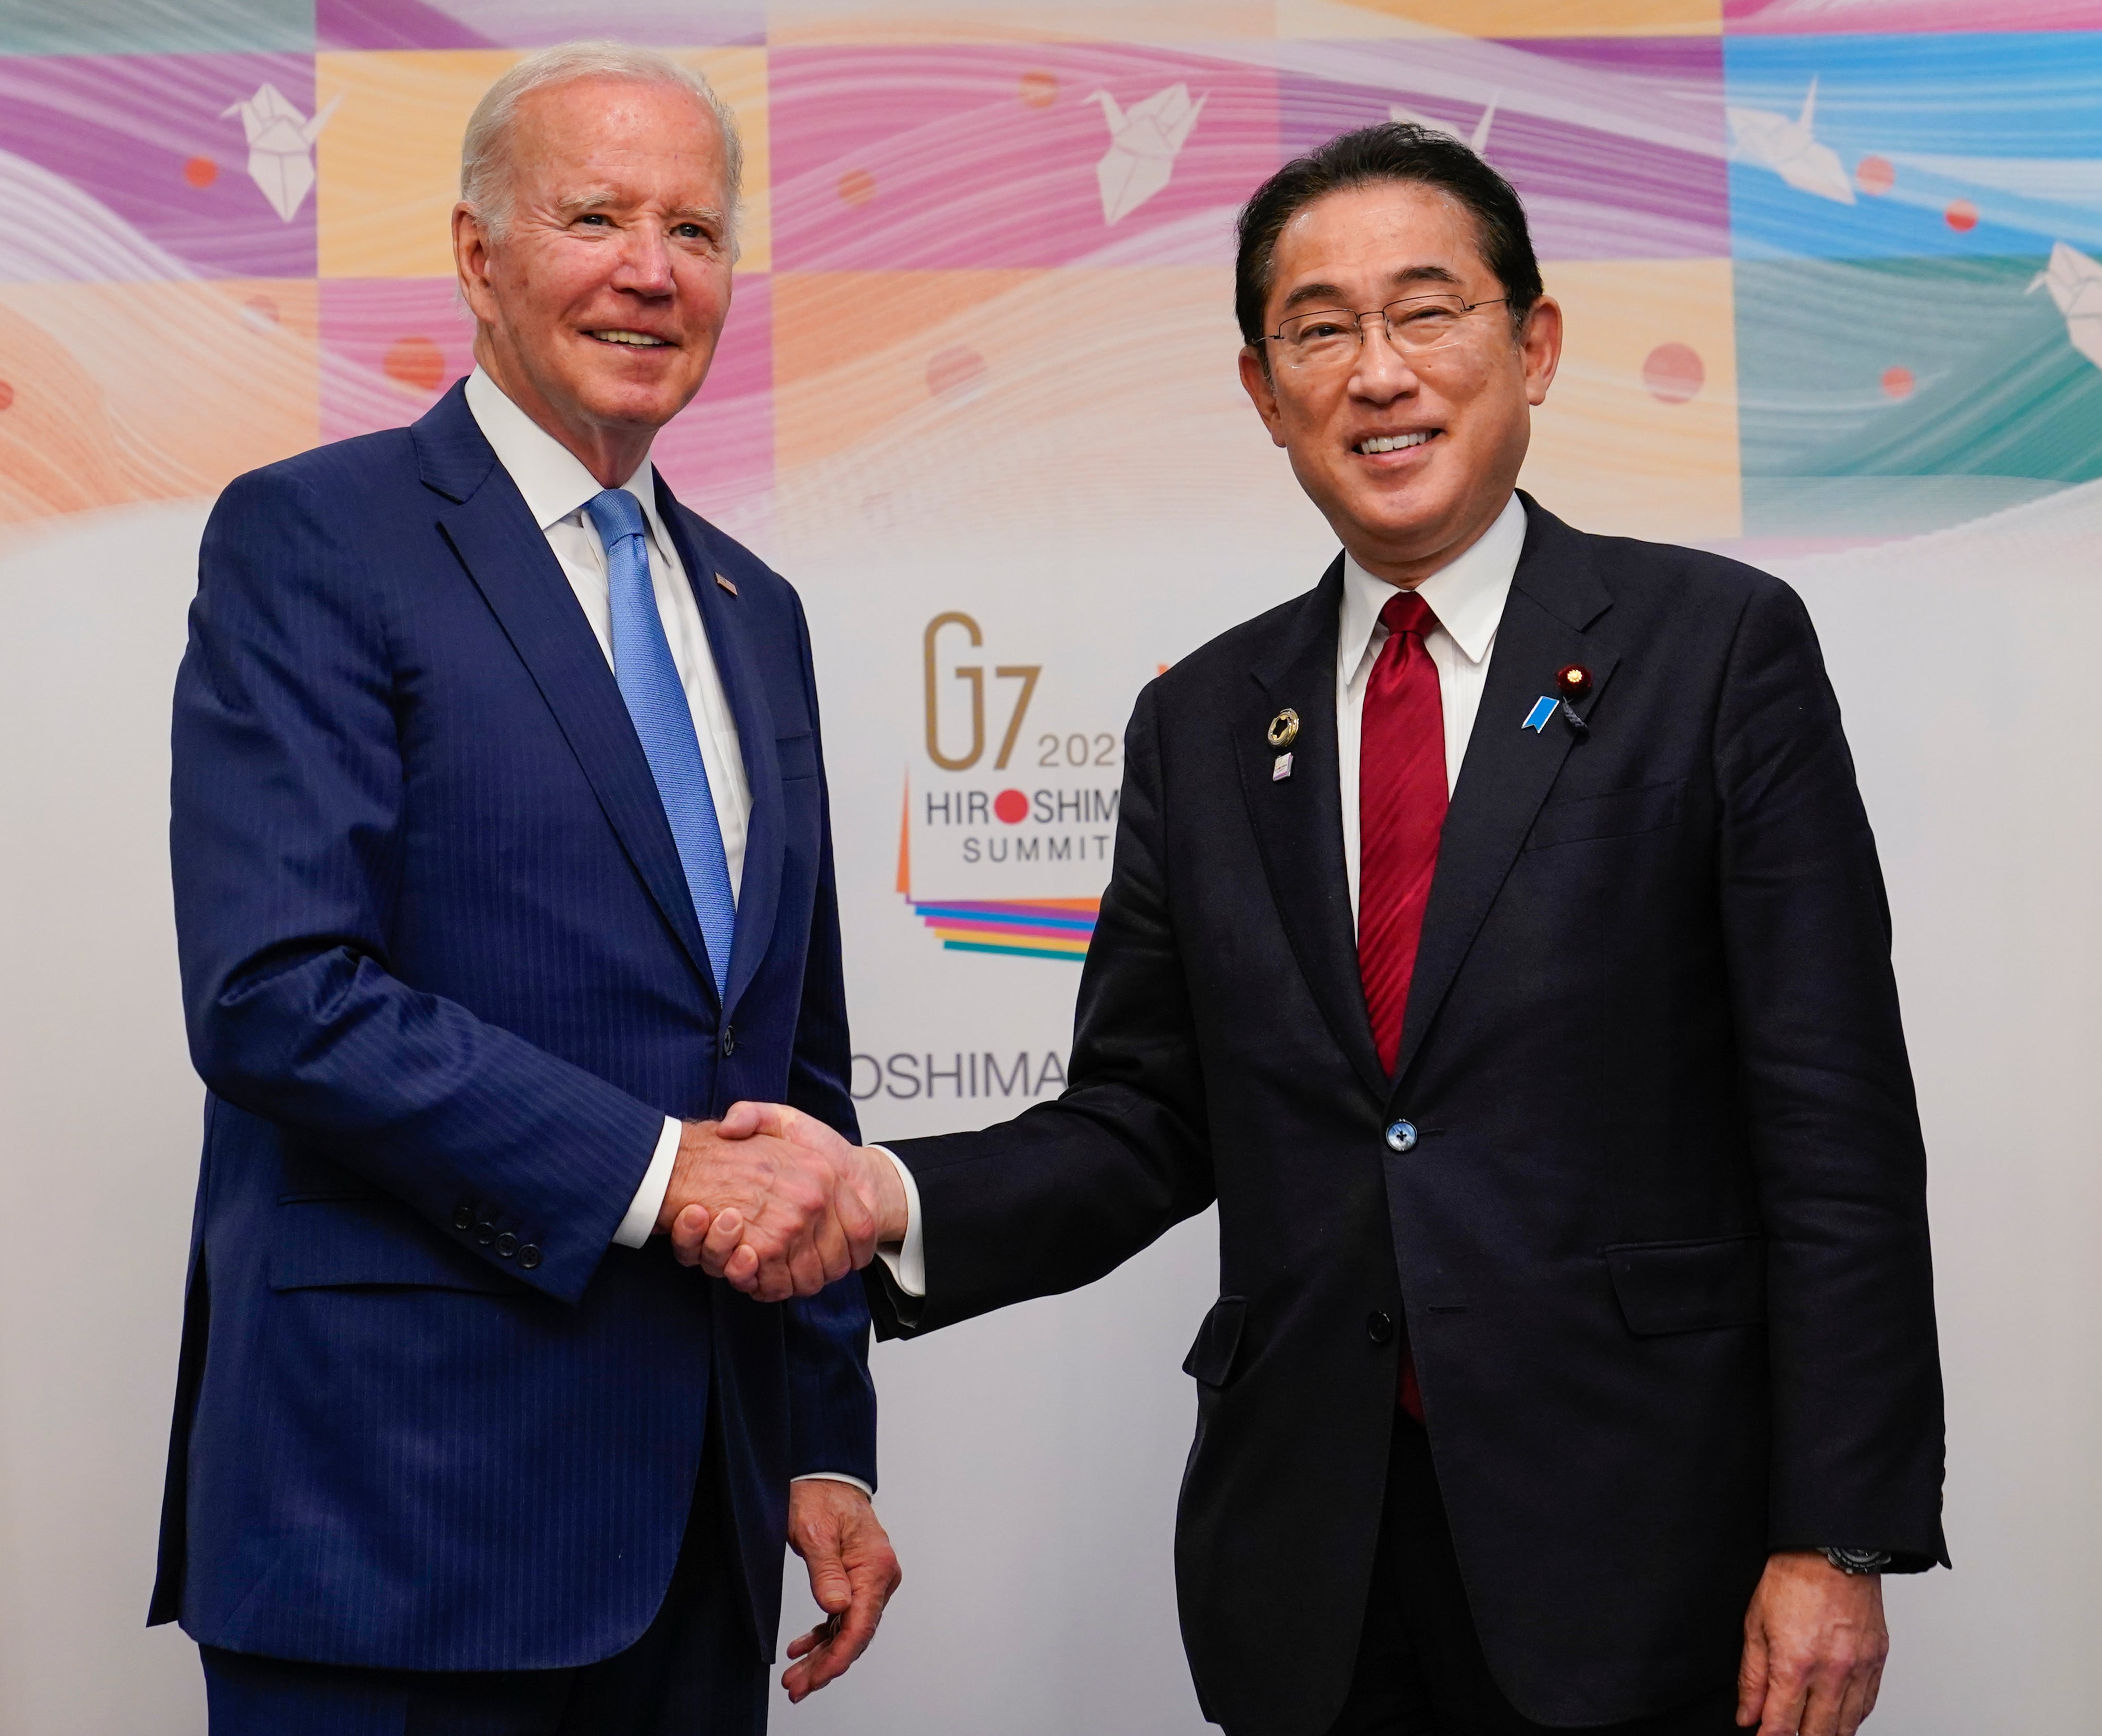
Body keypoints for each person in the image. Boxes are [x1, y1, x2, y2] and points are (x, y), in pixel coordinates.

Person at [687, 124, 1947, 1736]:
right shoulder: (1209, 719)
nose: (1378, 373)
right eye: (1320, 329)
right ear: (1262, 389)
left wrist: (1838, 1535)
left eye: (1427, 313)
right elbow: (1148, 1116)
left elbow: (1833, 1127)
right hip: (1316, 1567)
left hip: (1644, 1549)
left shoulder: (1715, 655)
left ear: (1535, 343)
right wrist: (889, 1195)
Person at [151, 42, 900, 1734]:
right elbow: (276, 992)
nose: (652, 269)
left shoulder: (752, 604)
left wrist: (823, 1441)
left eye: (696, 231)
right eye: (597, 216)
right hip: (398, 1529)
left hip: (700, 1533)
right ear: (481, 257)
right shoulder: (316, 539)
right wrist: (656, 1174)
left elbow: (798, 1069)